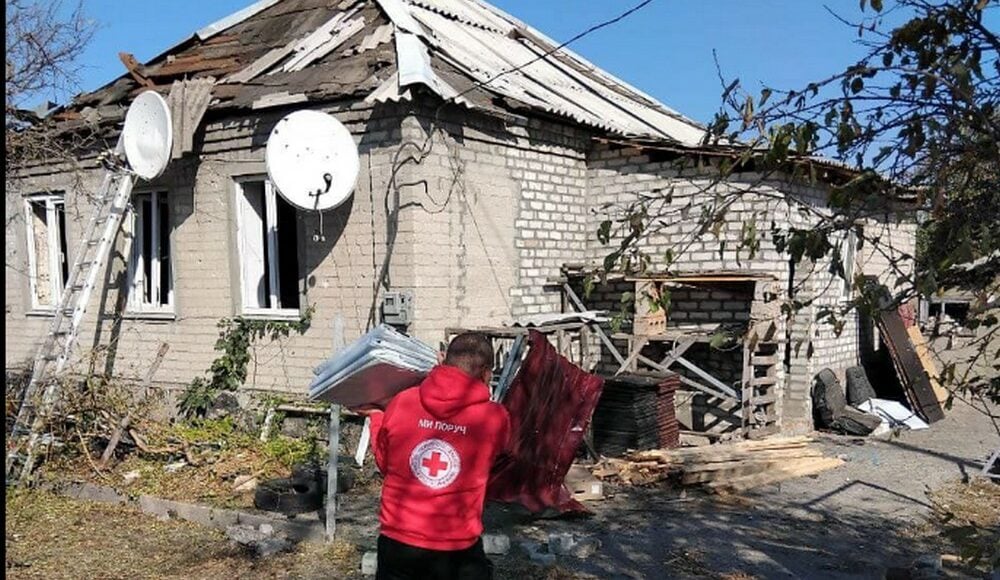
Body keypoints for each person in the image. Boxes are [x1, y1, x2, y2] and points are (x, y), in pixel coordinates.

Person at [365, 332, 511, 580]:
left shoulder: (402, 403)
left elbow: (384, 462)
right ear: (487, 373)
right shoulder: (495, 418)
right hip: (457, 548)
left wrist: (376, 418)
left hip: (398, 542)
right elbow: (499, 461)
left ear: (443, 359)